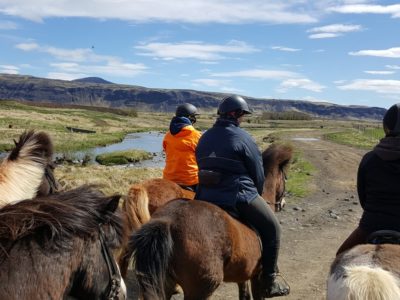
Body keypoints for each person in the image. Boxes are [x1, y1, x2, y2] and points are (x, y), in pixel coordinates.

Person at [195, 95, 290, 298]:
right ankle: (270, 279)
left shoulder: (204, 137)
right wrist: (254, 192)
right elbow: (258, 174)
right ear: (236, 114)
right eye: (242, 116)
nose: (243, 119)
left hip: (204, 195)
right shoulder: (243, 137)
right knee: (273, 228)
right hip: (237, 194)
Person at [336, 103, 400, 255]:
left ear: (387, 127)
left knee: (340, 256)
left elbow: (363, 199)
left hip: (371, 227)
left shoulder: (370, 159)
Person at [163, 103, 201, 191]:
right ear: (191, 118)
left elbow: (166, 151)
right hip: (190, 180)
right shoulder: (197, 135)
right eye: (194, 117)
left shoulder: (168, 135)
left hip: (168, 178)